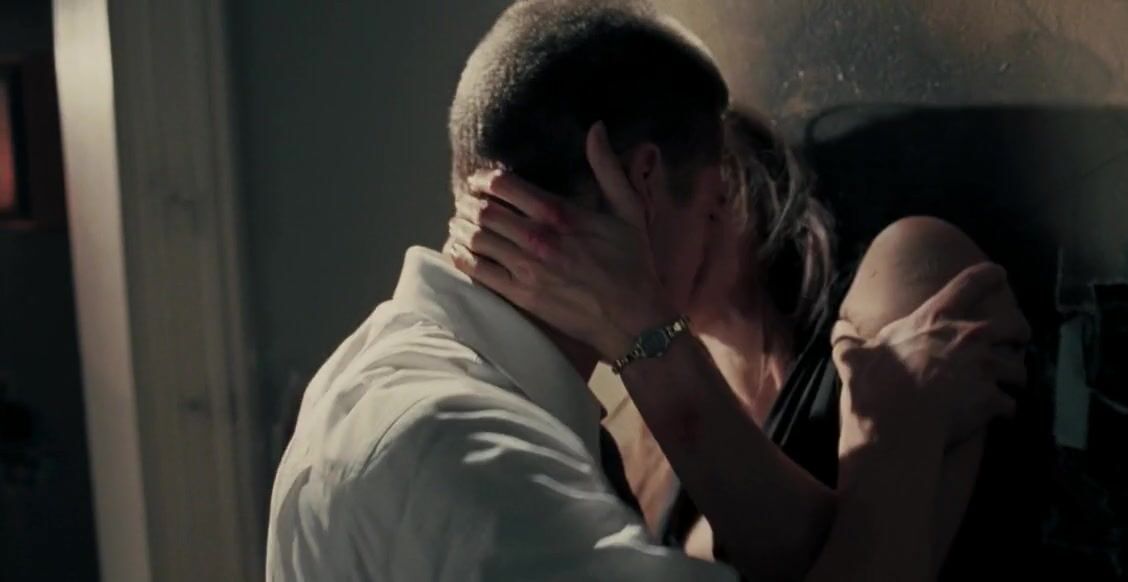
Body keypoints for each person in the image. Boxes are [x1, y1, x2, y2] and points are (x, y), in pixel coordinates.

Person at [268, 1, 1027, 580]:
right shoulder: (473, 453)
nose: (720, 208)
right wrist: (895, 442)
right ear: (641, 183)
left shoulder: (385, 388)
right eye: (708, 193)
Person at [450, 104, 1030, 577]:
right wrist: (896, 441)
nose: (621, 242)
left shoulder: (901, 279)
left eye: (640, 183)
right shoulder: (643, 446)